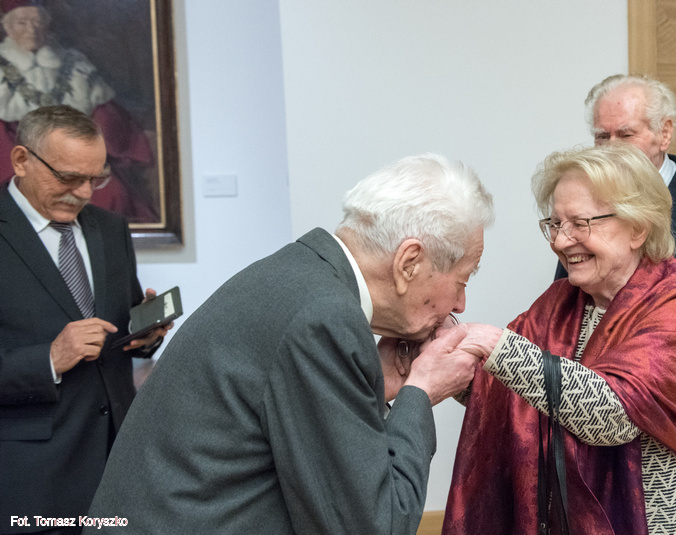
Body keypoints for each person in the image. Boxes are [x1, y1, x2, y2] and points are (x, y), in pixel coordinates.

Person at [87, 153, 494, 533]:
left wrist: (375, 389)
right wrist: (419, 393)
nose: (460, 304)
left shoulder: (300, 274)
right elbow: (375, 524)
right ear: (409, 263)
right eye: (463, 280)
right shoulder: (325, 317)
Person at [444, 144, 676, 534]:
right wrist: (441, 343)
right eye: (555, 224)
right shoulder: (561, 300)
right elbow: (502, 389)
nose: (560, 241)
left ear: (638, 227)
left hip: (658, 521)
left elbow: (612, 415)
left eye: (579, 223)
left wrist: (492, 343)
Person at [554, 73, 676, 502]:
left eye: (625, 134)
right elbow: (564, 316)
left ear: (664, 133)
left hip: (672, 448)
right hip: (588, 436)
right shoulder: (584, 206)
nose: (610, 147)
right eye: (601, 136)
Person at [0, 105, 169, 534]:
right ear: (21, 160)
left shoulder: (110, 228)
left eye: (96, 179)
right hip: (29, 475)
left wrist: (146, 335)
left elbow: (118, 327)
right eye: (68, 177)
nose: (83, 193)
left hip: (116, 462)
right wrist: (50, 359)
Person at [0, 0, 158, 223]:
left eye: (37, 22)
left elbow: (106, 118)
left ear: (47, 25)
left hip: (79, 161)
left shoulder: (74, 64)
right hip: (21, 165)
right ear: (7, 27)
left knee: (113, 193)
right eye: (22, 23)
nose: (31, 30)